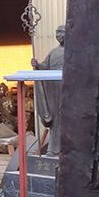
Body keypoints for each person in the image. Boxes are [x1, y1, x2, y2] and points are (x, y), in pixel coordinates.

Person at [31, 24, 66, 154]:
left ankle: (66, 149)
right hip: (54, 91)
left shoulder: (73, 51)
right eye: (57, 33)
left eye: (62, 33)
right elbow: (45, 66)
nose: (59, 36)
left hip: (67, 91)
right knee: (55, 121)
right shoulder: (53, 52)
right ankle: (53, 149)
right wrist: (37, 65)